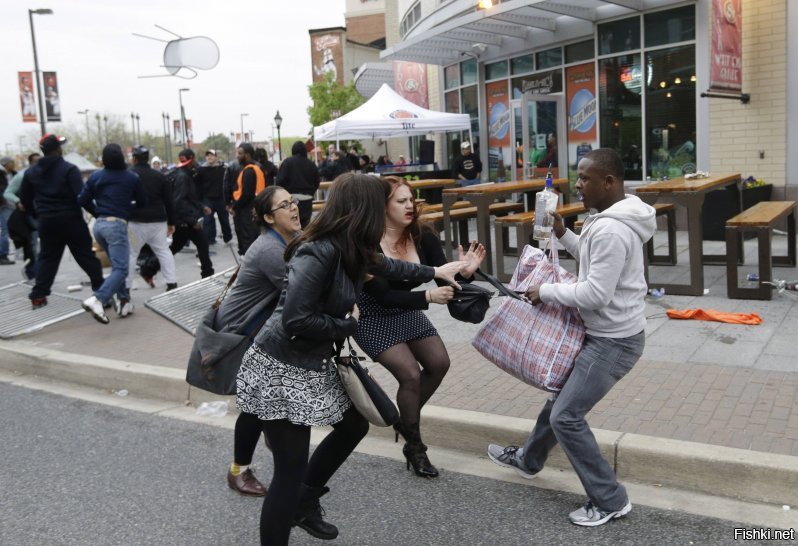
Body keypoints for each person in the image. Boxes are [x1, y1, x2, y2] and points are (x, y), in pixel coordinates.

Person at [235, 172, 465, 544]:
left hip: (313, 362)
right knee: (289, 472)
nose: (386, 214)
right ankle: (291, 510)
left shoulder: (351, 244)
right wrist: (346, 324)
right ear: (363, 210)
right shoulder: (318, 250)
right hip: (282, 368)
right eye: (380, 207)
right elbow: (296, 319)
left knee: (354, 426)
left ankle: (304, 503)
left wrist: (435, 271)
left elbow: (389, 267)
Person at [487, 148, 656, 527]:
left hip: (614, 343)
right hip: (608, 335)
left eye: (584, 178)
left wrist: (543, 292)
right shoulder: (609, 219)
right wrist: (563, 234)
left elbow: (596, 293)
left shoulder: (611, 228)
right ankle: (529, 461)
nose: (576, 185)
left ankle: (610, 499)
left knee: (566, 416)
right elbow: (591, 259)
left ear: (608, 182)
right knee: (559, 404)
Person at [354, 177, 485, 478]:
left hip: (408, 308)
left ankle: (405, 419)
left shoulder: (423, 235)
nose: (409, 205)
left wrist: (465, 273)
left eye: (410, 199)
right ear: (382, 206)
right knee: (410, 374)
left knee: (439, 362)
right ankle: (415, 447)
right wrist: (427, 297)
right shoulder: (367, 241)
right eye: (400, 201)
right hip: (373, 314)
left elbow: (443, 280)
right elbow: (384, 296)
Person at [215, 186, 302, 498]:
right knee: (255, 405)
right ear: (268, 217)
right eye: (284, 205)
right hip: (243, 333)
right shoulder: (269, 249)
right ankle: (238, 469)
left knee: (269, 400)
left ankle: (281, 448)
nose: (294, 208)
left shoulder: (289, 239)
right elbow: (303, 292)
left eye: (293, 202)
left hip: (263, 328)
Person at [18, 134, 104, 309]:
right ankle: (102, 292)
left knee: (48, 258)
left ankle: (39, 295)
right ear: (58, 149)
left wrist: (37, 213)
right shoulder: (69, 169)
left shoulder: (31, 172)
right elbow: (81, 196)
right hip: (71, 219)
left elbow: (24, 199)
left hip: (47, 221)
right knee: (85, 256)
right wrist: (97, 214)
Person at [77, 144, 147, 324]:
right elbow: (142, 202)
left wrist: (98, 212)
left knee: (117, 266)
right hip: (117, 225)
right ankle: (97, 299)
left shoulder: (96, 176)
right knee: (122, 269)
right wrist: (125, 210)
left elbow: (82, 200)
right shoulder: (131, 177)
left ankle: (124, 302)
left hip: (99, 226)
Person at [127, 146, 178, 292]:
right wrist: (172, 222)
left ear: (134, 158)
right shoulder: (159, 176)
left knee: (132, 254)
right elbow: (169, 201)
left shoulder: (129, 175)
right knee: (163, 251)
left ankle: (126, 289)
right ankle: (172, 283)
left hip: (135, 222)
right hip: (158, 221)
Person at [170, 149, 214, 278]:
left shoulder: (182, 174)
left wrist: (201, 206)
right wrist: (192, 221)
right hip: (185, 219)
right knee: (202, 243)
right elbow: (180, 202)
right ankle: (207, 273)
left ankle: (150, 268)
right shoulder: (183, 177)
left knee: (176, 246)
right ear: (192, 159)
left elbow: (190, 198)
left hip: (182, 218)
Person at [6, 153, 41, 279]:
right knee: (32, 244)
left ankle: (39, 273)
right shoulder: (22, 176)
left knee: (42, 245)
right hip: (29, 215)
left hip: (42, 213)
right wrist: (18, 201)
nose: (38, 163)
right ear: (30, 162)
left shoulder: (44, 174)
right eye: (36, 161)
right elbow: (8, 193)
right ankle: (32, 273)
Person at [275, 141, 321, 229]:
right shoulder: (311, 164)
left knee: (291, 226)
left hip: (291, 199)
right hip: (307, 199)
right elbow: (317, 182)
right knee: (305, 226)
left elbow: (280, 181)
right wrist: (310, 193)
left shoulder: (287, 162)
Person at [230, 143, 265, 255]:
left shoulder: (249, 171)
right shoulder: (256, 168)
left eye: (240, 153)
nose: (237, 156)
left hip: (247, 211)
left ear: (248, 155)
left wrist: (234, 207)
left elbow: (247, 194)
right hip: (254, 208)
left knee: (248, 241)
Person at [198, 149, 233, 246]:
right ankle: (210, 239)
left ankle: (228, 238)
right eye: (208, 155)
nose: (209, 157)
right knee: (208, 220)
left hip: (221, 198)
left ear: (216, 157)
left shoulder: (223, 168)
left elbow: (229, 182)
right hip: (207, 198)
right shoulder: (201, 169)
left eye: (212, 155)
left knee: (224, 219)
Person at [0, 156, 17, 265]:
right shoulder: (1, 174)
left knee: (10, 230)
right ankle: (2, 254)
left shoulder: (14, 174)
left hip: (13, 206)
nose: (13, 164)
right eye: (11, 162)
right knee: (5, 230)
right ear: (6, 164)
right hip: (4, 206)